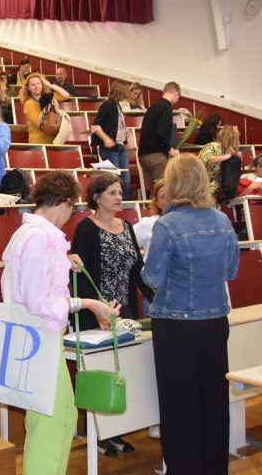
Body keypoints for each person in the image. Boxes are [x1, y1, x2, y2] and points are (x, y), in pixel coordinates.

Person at [1, 171, 119, 474]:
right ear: (64, 202)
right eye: (73, 207)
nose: (71, 214)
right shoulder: (38, 238)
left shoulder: (33, 235)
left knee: (63, 416)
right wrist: (88, 303)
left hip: (39, 340)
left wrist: (63, 261)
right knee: (49, 423)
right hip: (36, 341)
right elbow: (38, 301)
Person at [142, 155, 239, 475]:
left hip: (175, 325)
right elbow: (231, 271)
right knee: (214, 400)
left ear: (174, 183)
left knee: (179, 404)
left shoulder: (168, 225)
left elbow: (152, 278)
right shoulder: (222, 220)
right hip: (215, 321)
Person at [70, 172, 152, 457]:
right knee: (99, 372)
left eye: (120, 192)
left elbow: (137, 271)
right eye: (112, 193)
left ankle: (115, 430)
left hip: (124, 310)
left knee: (121, 371)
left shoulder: (126, 225)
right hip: (96, 313)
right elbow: (78, 276)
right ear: (97, 197)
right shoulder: (86, 228)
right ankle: (96, 433)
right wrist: (96, 311)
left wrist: (157, 299)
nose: (119, 197)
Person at [137, 81, 181, 195]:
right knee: (162, 192)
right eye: (178, 96)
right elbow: (162, 132)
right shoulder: (166, 107)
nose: (177, 99)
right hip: (156, 156)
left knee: (155, 192)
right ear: (176, 93)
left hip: (143, 155)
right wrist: (169, 149)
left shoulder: (153, 107)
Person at [90, 81, 132, 199]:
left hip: (119, 146)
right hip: (109, 149)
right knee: (115, 180)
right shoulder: (108, 104)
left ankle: (125, 204)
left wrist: (125, 129)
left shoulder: (117, 105)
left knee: (125, 181)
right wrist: (106, 139)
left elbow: (115, 124)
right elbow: (95, 126)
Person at [132, 179, 167, 316]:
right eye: (163, 196)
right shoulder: (148, 223)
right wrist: (139, 278)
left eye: (172, 194)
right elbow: (125, 246)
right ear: (157, 202)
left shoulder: (188, 224)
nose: (168, 200)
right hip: (154, 296)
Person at [19, 73, 70, 144]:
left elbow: (66, 95)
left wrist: (50, 84)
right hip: (38, 142)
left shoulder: (48, 97)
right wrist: (46, 107)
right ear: (28, 88)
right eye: (33, 85)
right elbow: (38, 124)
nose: (36, 86)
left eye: (38, 83)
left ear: (42, 85)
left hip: (55, 140)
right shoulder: (28, 104)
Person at [198, 124, 240, 203]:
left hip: (217, 194)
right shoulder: (212, 146)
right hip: (204, 191)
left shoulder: (227, 151)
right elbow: (206, 160)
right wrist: (225, 157)